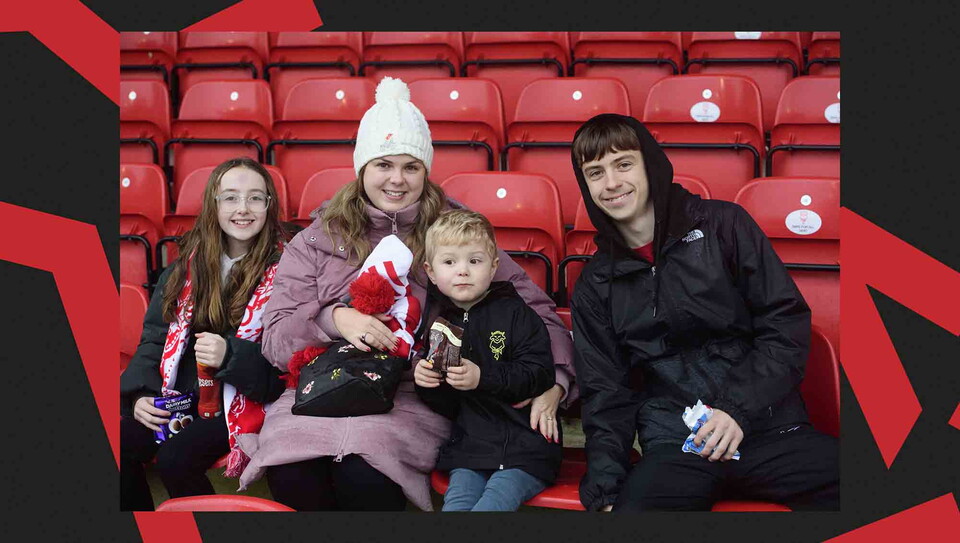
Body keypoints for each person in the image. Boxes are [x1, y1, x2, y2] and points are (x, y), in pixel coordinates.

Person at [237, 77, 575, 511]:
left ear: (425, 171)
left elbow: (534, 312)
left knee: (364, 475)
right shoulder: (318, 237)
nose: (396, 179)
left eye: (410, 166)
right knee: (294, 472)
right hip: (319, 388)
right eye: (383, 164)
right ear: (362, 168)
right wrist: (333, 319)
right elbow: (275, 337)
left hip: (411, 393)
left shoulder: (454, 230)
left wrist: (557, 383)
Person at [569, 114, 839, 512]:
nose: (611, 183)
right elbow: (606, 392)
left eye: (623, 164)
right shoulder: (595, 284)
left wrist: (736, 410)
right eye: (595, 172)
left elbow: (784, 326)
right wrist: (606, 487)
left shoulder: (724, 226)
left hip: (770, 428)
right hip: (677, 444)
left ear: (650, 164)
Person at [120, 157, 288, 511]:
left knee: (174, 459)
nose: (243, 208)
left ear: (269, 205)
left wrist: (230, 357)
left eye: (255, 198)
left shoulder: (287, 272)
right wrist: (140, 396)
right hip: (182, 395)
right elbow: (154, 340)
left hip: (243, 401)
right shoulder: (184, 268)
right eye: (230, 197)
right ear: (214, 204)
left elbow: (284, 366)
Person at [413, 210, 562, 511]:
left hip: (525, 448)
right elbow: (448, 405)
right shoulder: (439, 324)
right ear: (430, 272)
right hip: (472, 449)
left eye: (474, 261)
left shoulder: (517, 314)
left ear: (494, 267)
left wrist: (483, 377)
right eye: (450, 262)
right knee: (456, 506)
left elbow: (539, 374)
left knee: (492, 505)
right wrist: (427, 384)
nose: (463, 271)